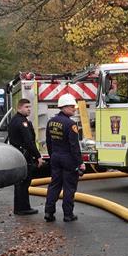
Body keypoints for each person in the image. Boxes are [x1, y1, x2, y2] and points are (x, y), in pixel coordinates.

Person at [44, 94, 85, 222]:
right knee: (69, 187)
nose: (74, 109)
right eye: (72, 107)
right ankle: (68, 214)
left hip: (55, 157)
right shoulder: (71, 124)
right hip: (68, 159)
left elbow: (48, 141)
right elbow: (74, 146)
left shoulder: (51, 122)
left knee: (54, 185)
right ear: (65, 107)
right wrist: (80, 163)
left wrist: (52, 155)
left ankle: (48, 212)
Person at [7, 98, 44, 215]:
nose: (29, 109)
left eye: (29, 107)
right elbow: (29, 141)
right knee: (24, 182)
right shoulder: (22, 122)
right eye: (26, 107)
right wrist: (38, 156)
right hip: (23, 155)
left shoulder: (14, 120)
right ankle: (23, 208)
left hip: (18, 154)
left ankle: (20, 207)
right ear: (19, 108)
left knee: (20, 182)